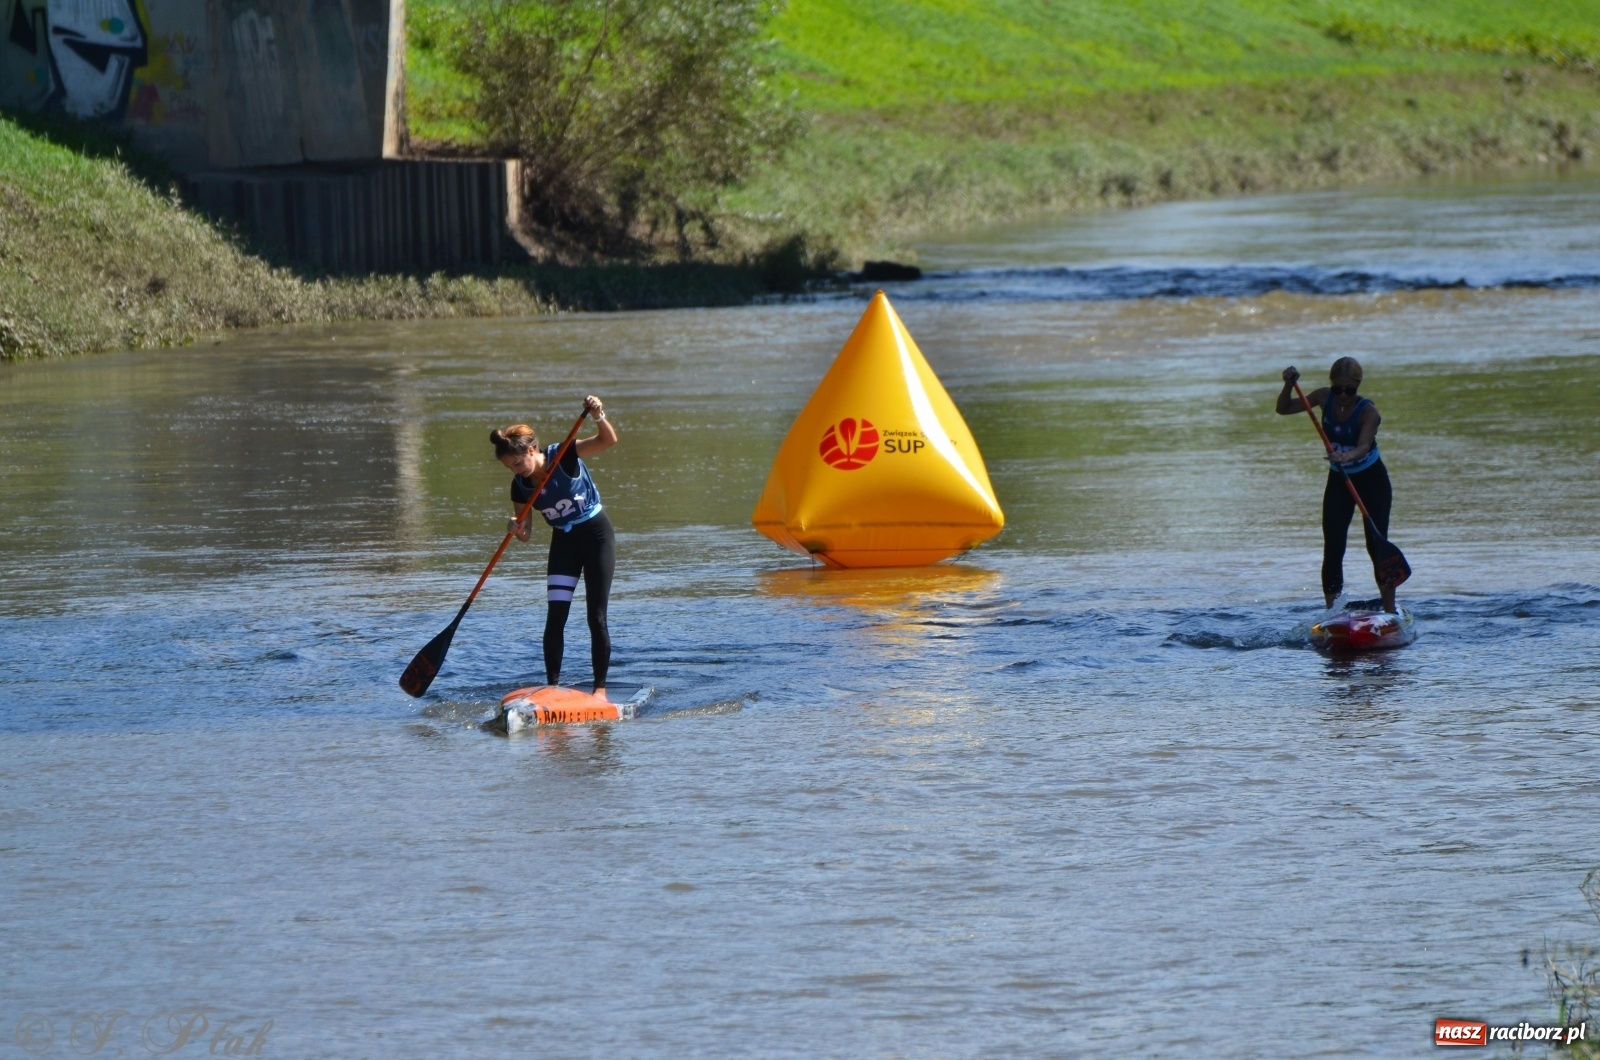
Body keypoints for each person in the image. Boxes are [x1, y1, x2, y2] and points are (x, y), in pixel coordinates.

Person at [490, 395, 618, 698]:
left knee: (595, 617)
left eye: (518, 463)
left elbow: (608, 440)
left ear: (532, 450)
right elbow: (526, 535)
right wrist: (516, 527)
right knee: (555, 617)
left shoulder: (564, 454)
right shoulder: (519, 486)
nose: (516, 470)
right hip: (564, 543)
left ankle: (600, 691)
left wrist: (598, 414)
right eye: (510, 467)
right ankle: (553, 688)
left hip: (597, 536)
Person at [1276, 357, 1397, 613]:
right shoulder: (1323, 398)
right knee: (1333, 546)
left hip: (1371, 480)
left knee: (1375, 546)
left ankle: (1389, 611)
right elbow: (1283, 408)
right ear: (1331, 385)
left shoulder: (1368, 412)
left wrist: (1346, 456)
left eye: (1349, 390)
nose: (1342, 395)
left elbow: (1363, 445)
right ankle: (1333, 612)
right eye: (1337, 388)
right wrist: (1288, 384)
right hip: (1339, 481)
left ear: (1358, 385)